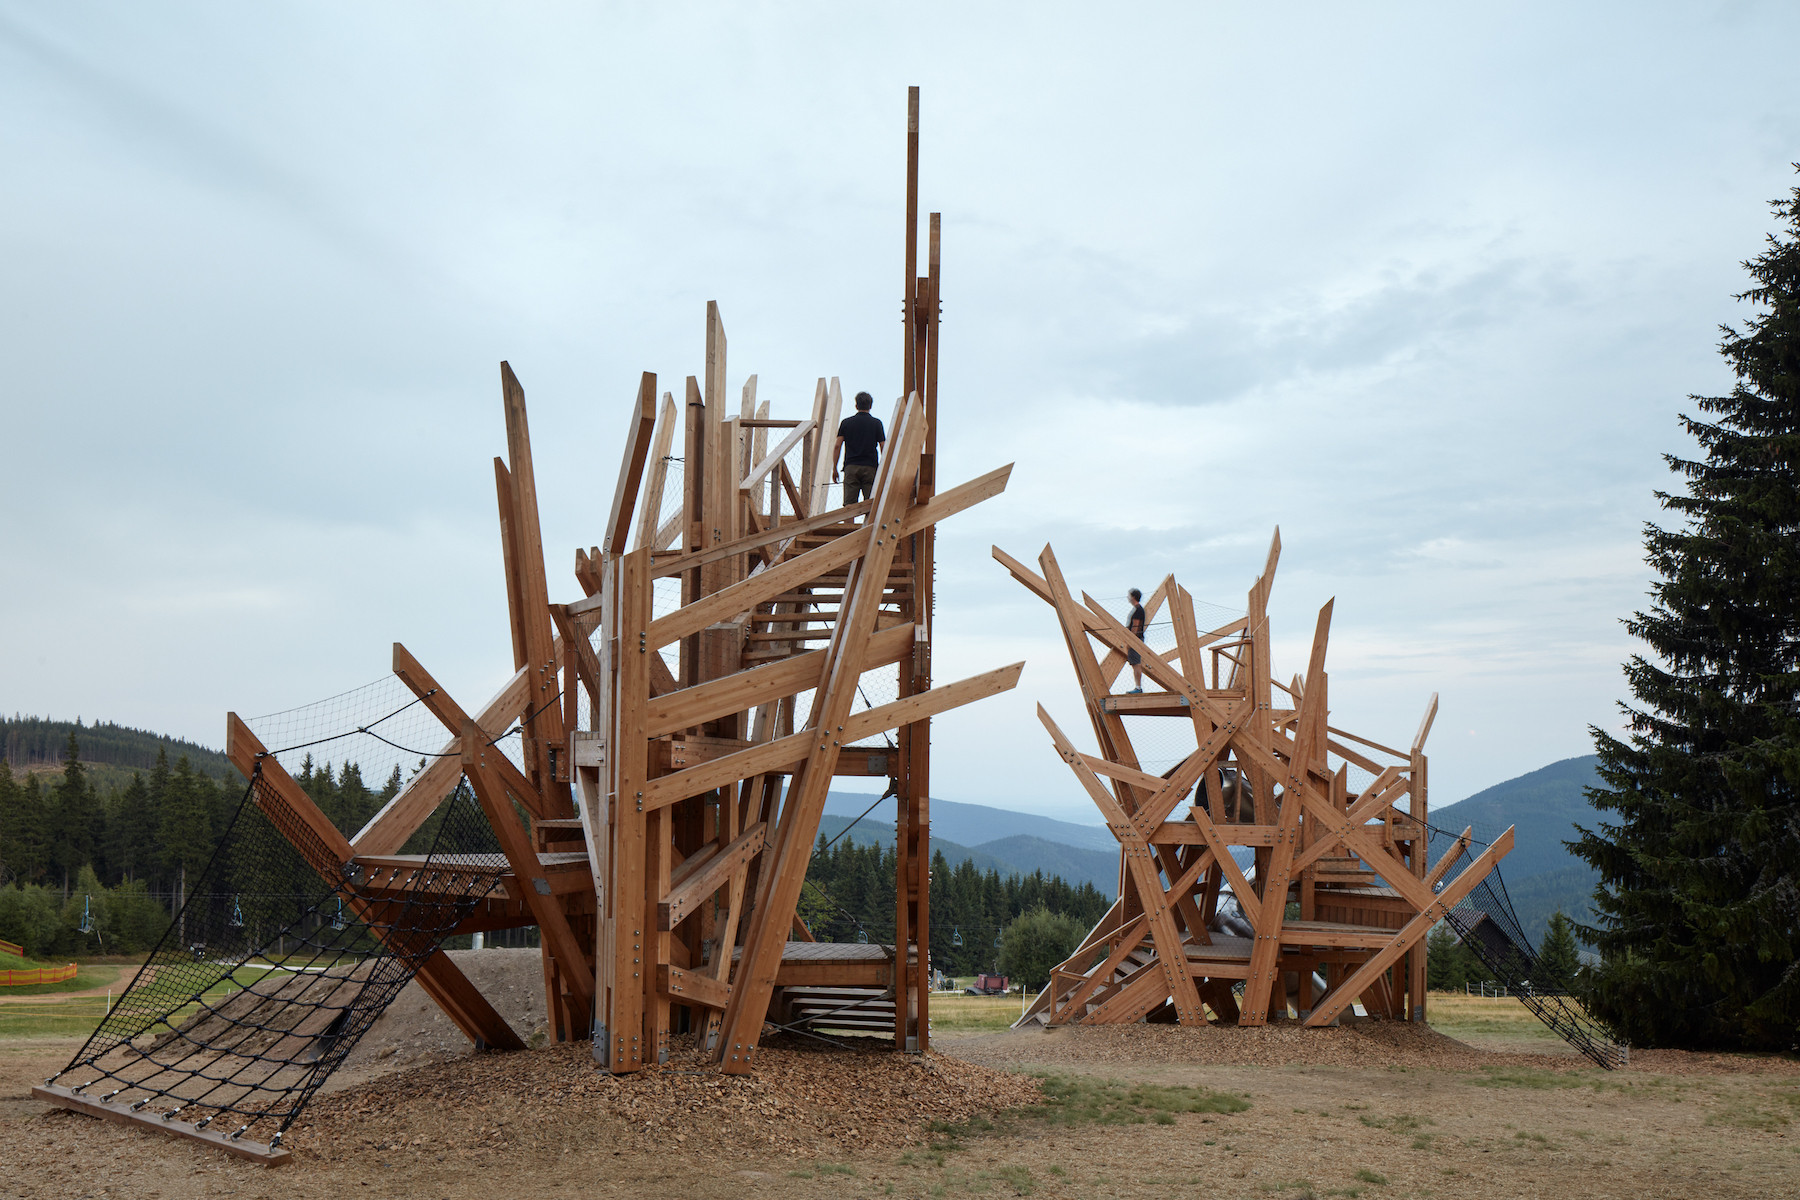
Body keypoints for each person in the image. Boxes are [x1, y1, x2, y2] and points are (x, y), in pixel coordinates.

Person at [832, 391, 886, 507]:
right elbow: (883, 446)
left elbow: (837, 446)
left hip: (851, 467)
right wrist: (884, 467)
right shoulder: (876, 423)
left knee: (849, 505)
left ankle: (849, 519)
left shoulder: (846, 423)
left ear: (856, 406)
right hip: (870, 467)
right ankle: (870, 519)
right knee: (871, 504)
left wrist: (835, 468)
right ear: (870, 406)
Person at [1125, 588, 1146, 693]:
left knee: (1136, 663)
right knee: (1134, 663)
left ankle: (1138, 687)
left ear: (1133, 597)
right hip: (1136, 639)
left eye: (1129, 595)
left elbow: (1135, 626)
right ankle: (1138, 687)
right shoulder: (1137, 609)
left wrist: (1131, 641)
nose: (1128, 597)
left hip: (1135, 640)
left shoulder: (1138, 610)